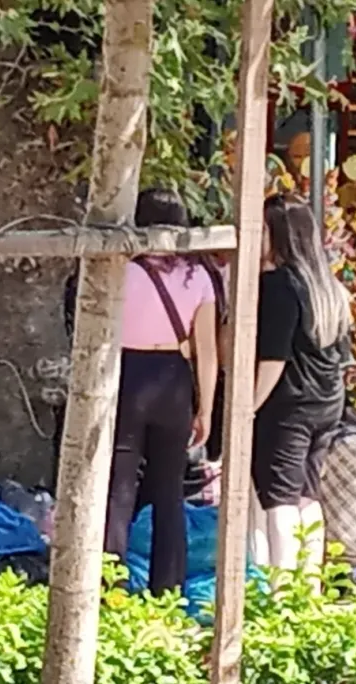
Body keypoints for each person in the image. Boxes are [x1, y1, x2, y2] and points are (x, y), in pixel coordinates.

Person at [103, 188, 218, 595]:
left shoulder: (120, 270)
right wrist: (205, 408)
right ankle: (168, 590)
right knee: (170, 492)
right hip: (175, 379)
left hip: (126, 373)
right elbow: (207, 351)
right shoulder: (198, 276)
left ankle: (109, 586)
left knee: (118, 486)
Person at [252, 194, 351, 575]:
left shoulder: (279, 284)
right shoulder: (329, 287)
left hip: (289, 404)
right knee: (308, 494)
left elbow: (274, 358)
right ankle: (308, 584)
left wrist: (249, 407)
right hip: (327, 402)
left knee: (279, 498)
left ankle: (281, 587)